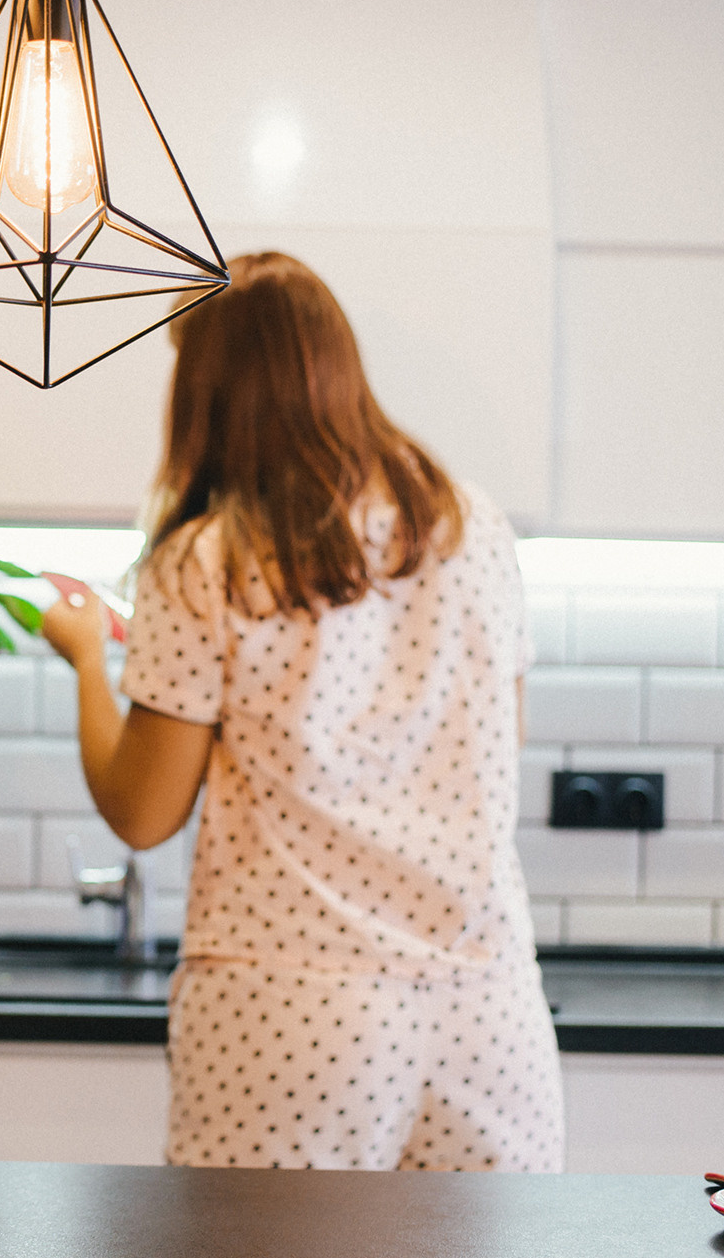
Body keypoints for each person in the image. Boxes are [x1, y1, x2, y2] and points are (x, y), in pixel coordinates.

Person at [40, 252, 563, 1172]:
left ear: (205, 396)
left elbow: (143, 810)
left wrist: (88, 658)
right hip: (485, 1010)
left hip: (291, 1015)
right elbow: (501, 734)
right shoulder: (471, 525)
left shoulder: (205, 562)